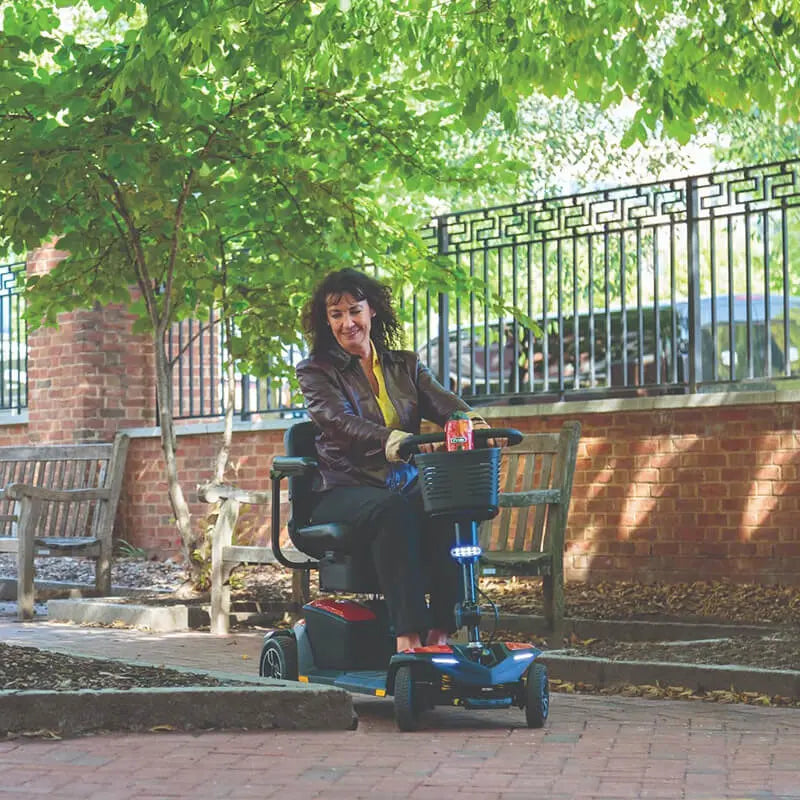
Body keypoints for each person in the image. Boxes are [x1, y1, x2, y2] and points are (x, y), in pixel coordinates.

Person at [297, 268, 495, 653]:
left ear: (371, 311)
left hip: (398, 484)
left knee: (448, 504)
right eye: (336, 315)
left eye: (354, 310)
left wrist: (473, 423)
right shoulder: (316, 371)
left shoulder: (405, 365)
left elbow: (446, 404)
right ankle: (407, 638)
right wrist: (393, 441)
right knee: (392, 508)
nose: (347, 322)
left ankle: (441, 632)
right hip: (341, 488)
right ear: (326, 322)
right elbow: (337, 421)